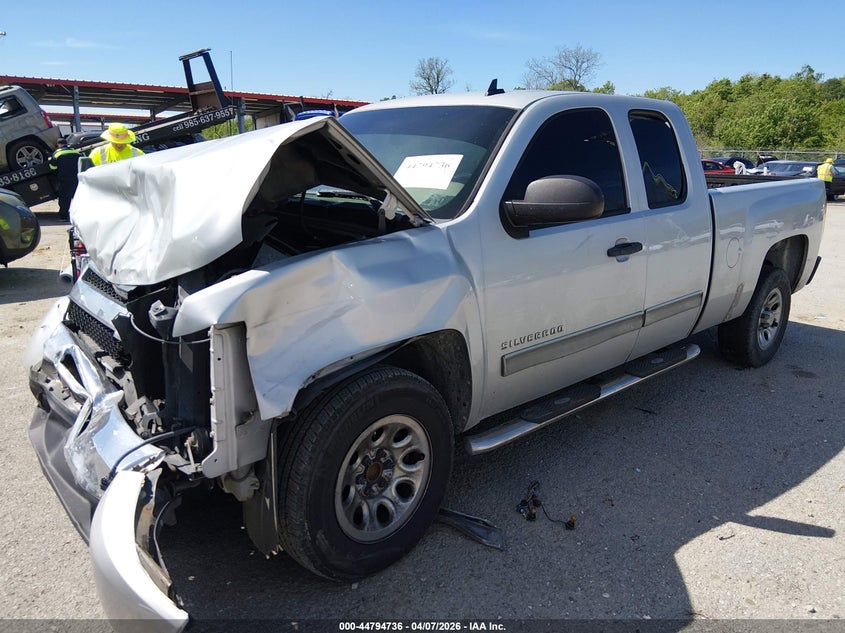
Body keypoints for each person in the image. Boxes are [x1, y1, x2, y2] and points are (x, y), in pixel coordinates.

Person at [49, 138, 82, 220]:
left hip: (64, 179)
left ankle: (63, 216)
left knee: (64, 198)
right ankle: (79, 215)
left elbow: (52, 167)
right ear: (66, 144)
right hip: (77, 178)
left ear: (59, 145)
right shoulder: (76, 152)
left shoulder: (57, 153)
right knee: (78, 197)